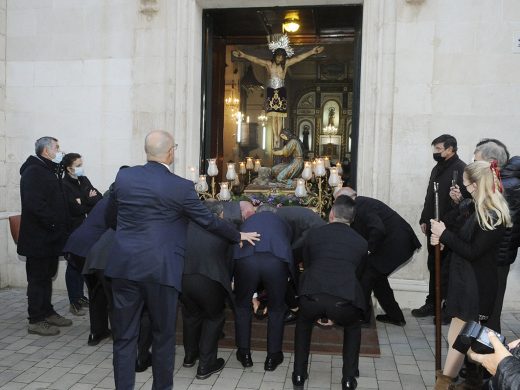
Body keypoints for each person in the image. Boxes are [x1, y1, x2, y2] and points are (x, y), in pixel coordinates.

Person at [104, 130, 260, 390]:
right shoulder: (179, 187)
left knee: (124, 338)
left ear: (147, 151)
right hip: (161, 270)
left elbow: (111, 217)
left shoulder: (124, 176)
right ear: (170, 153)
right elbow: (207, 221)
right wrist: (237, 235)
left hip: (124, 267)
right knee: (163, 337)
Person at [431, 161, 511, 390]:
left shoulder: (494, 215)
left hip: (476, 285)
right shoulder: (474, 207)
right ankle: (456, 381)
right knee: (458, 340)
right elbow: (461, 236)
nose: (463, 186)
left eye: (466, 183)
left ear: (475, 185)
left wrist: (444, 235)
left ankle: (448, 383)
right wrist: (443, 239)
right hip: (463, 281)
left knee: (464, 341)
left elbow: (473, 251)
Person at [292, 195, 367, 390]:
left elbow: (307, 265)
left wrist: (322, 308)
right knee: (352, 327)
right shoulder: (361, 242)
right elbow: (357, 274)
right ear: (352, 218)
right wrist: (331, 310)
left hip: (311, 295)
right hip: (343, 301)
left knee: (303, 323)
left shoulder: (314, 234)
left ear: (331, 213)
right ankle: (349, 379)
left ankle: (298, 375)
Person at [335, 187, 421, 327]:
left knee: (368, 275)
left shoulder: (361, 205)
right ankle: (395, 316)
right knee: (378, 278)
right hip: (394, 244)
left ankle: (361, 316)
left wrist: (369, 250)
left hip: (397, 245)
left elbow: (378, 229)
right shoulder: (361, 205)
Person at [18, 136, 73, 336]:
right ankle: (35, 319)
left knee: (47, 277)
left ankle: (47, 312)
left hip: (49, 237)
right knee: (37, 279)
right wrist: (53, 223)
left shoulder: (47, 170)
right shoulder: (33, 171)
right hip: (38, 237)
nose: (60, 151)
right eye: (57, 148)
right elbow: (35, 205)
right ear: (46, 151)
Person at [233, 35, 323, 148]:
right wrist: (244, 55)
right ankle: (275, 136)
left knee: (280, 116)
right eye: (278, 57)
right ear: (275, 56)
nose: (280, 59)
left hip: (281, 91)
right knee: (273, 116)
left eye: (282, 58)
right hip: (271, 91)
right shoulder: (269, 65)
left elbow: (298, 58)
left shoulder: (285, 65)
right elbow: (256, 60)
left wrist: (312, 52)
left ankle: (277, 136)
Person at [413, 134, 467, 321]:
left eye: (439, 149)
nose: (436, 153)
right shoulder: (437, 168)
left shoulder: (461, 169)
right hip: (433, 227)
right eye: (435, 149)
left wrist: (445, 226)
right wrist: (424, 219)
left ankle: (446, 308)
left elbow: (464, 203)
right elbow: (430, 195)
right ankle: (432, 303)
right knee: (433, 265)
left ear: (451, 149)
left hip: (449, 230)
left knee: (447, 269)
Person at [233, 204, 293, 372]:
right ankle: (272, 357)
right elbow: (287, 241)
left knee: (242, 306)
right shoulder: (281, 221)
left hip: (246, 260)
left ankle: (244, 354)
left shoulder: (248, 221)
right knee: (276, 308)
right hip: (275, 261)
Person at [470, 140, 520, 333]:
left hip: (495, 256)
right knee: (489, 309)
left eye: (477, 162)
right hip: (498, 255)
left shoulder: (504, 186)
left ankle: (487, 356)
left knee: (488, 311)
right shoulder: (503, 182)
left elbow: (488, 221)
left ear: (491, 162)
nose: (473, 166)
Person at [180, 201, 234, 380]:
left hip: (183, 278)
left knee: (191, 315)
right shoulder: (223, 228)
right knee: (214, 318)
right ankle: (206, 365)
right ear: (219, 215)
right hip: (209, 278)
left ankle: (189, 356)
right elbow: (230, 258)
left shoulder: (187, 225)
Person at [63, 196, 112, 346]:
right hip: (91, 250)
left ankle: (97, 333)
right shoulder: (121, 199)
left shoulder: (107, 198)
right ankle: (119, 336)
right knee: (112, 294)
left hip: (76, 247)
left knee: (96, 290)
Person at [61, 152, 103, 316]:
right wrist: (87, 201)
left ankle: (80, 296)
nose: (81, 168)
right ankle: (74, 300)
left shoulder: (84, 180)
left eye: (81, 165)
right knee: (73, 265)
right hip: (73, 230)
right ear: (68, 168)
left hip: (87, 229)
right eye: (78, 166)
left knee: (84, 265)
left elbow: (98, 198)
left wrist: (84, 201)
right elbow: (74, 209)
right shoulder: (64, 185)